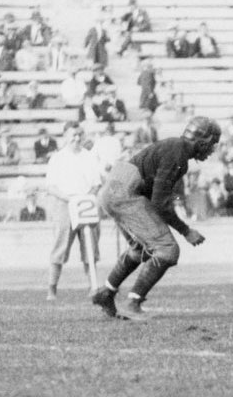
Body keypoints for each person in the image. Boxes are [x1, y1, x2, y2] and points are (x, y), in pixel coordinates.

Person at [91, 116, 221, 321]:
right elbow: (159, 203)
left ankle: (106, 293)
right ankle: (132, 304)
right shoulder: (177, 153)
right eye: (211, 144)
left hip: (113, 190)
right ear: (201, 140)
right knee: (167, 250)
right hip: (125, 192)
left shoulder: (174, 148)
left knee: (140, 249)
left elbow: (156, 197)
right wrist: (186, 230)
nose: (211, 149)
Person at [45, 125, 105, 299]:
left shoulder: (89, 157)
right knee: (60, 246)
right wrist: (69, 199)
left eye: (80, 134)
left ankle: (93, 287)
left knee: (90, 247)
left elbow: (96, 184)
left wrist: (85, 199)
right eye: (73, 135)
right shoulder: (57, 158)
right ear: (65, 136)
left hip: (86, 204)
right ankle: (52, 289)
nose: (77, 138)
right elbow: (51, 186)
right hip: (65, 204)